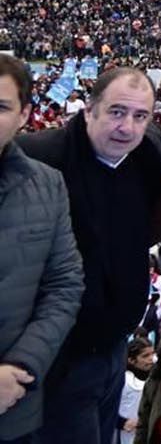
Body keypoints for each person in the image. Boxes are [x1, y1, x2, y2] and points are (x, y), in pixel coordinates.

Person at [18, 67, 161, 444]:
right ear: (88, 110)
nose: (127, 127)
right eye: (116, 112)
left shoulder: (148, 150)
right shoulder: (38, 158)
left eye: (140, 116)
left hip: (113, 347)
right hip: (58, 356)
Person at [0, 56, 84, 444]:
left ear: (24, 115)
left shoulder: (48, 185)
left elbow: (64, 286)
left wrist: (20, 366)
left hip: (13, 401)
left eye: (1, 107)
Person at [115, 338, 154, 444]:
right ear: (131, 360)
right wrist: (122, 422)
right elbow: (107, 407)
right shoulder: (123, 380)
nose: (151, 359)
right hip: (130, 437)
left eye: (152, 354)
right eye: (145, 356)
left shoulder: (156, 378)